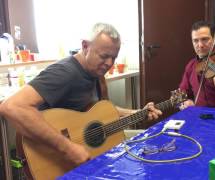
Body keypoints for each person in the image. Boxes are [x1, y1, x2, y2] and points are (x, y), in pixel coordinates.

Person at [0, 23, 162, 166]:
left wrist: (137, 113)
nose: (109, 64)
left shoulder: (97, 73)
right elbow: (11, 107)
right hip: (54, 157)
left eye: (114, 57)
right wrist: (67, 148)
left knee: (154, 140)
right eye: (104, 56)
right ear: (85, 46)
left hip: (91, 146)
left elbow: (103, 111)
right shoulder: (65, 72)